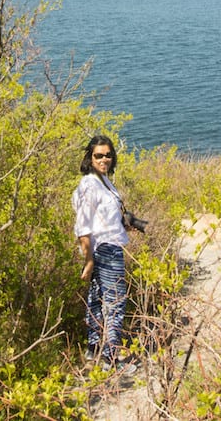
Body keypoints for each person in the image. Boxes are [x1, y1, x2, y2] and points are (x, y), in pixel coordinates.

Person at [72, 135, 134, 372]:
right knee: (115, 303)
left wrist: (127, 222)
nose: (104, 159)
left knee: (97, 298)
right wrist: (88, 260)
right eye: (98, 155)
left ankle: (94, 349)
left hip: (107, 244)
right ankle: (110, 359)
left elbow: (103, 218)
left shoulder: (103, 181)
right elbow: (83, 226)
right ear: (90, 157)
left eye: (108, 155)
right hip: (105, 250)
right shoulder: (90, 184)